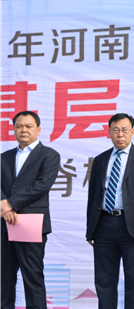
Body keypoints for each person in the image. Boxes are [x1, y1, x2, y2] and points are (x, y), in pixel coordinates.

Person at [86, 113, 134, 309]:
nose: (120, 134)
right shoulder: (101, 159)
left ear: (132, 132)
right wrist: (90, 229)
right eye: (116, 130)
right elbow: (93, 196)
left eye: (125, 130)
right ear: (109, 132)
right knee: (104, 280)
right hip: (103, 224)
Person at [1, 111, 60, 309]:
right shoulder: (4, 157)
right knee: (3, 277)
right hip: (4, 223)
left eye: (28, 126)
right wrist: (4, 205)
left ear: (38, 130)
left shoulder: (49, 155)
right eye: (19, 126)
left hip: (31, 223)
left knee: (32, 275)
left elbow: (42, 185)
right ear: (14, 129)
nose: (23, 130)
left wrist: (10, 203)